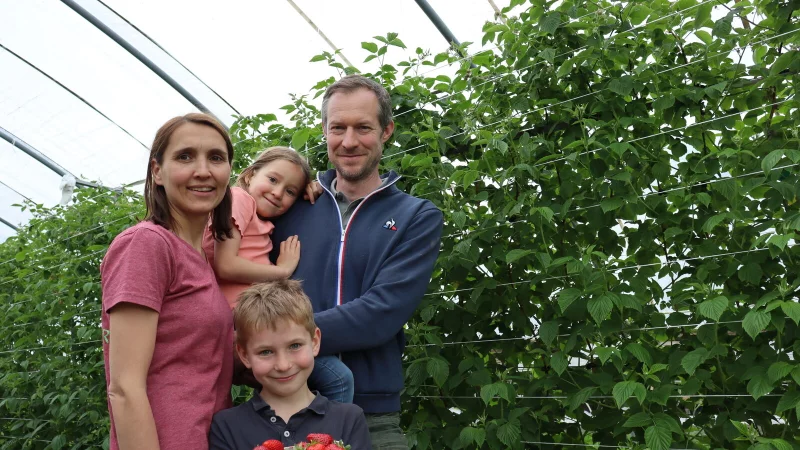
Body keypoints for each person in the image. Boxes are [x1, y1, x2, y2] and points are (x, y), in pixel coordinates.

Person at [270, 74, 444, 449]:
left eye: (363, 127)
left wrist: (280, 340)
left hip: (373, 419)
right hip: (282, 409)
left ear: (386, 131)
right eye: (338, 128)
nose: (349, 142)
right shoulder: (290, 207)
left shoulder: (416, 216)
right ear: (324, 130)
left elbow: (382, 312)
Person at [101, 113, 235, 450]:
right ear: (157, 171)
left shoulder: (202, 259)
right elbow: (125, 387)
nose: (203, 170)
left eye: (216, 158)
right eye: (185, 156)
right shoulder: (146, 244)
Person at [201, 147, 355, 404]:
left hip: (252, 326)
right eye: (272, 180)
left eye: (290, 191)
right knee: (337, 379)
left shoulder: (259, 217)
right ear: (250, 175)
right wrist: (281, 272)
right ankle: (331, 442)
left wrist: (314, 188)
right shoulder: (238, 198)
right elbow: (225, 264)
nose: (277, 193)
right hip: (240, 327)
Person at [208, 280, 372, 450]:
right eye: (266, 352)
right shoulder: (226, 426)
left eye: (294, 346)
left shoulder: (349, 419)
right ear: (244, 355)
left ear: (314, 342)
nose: (283, 365)